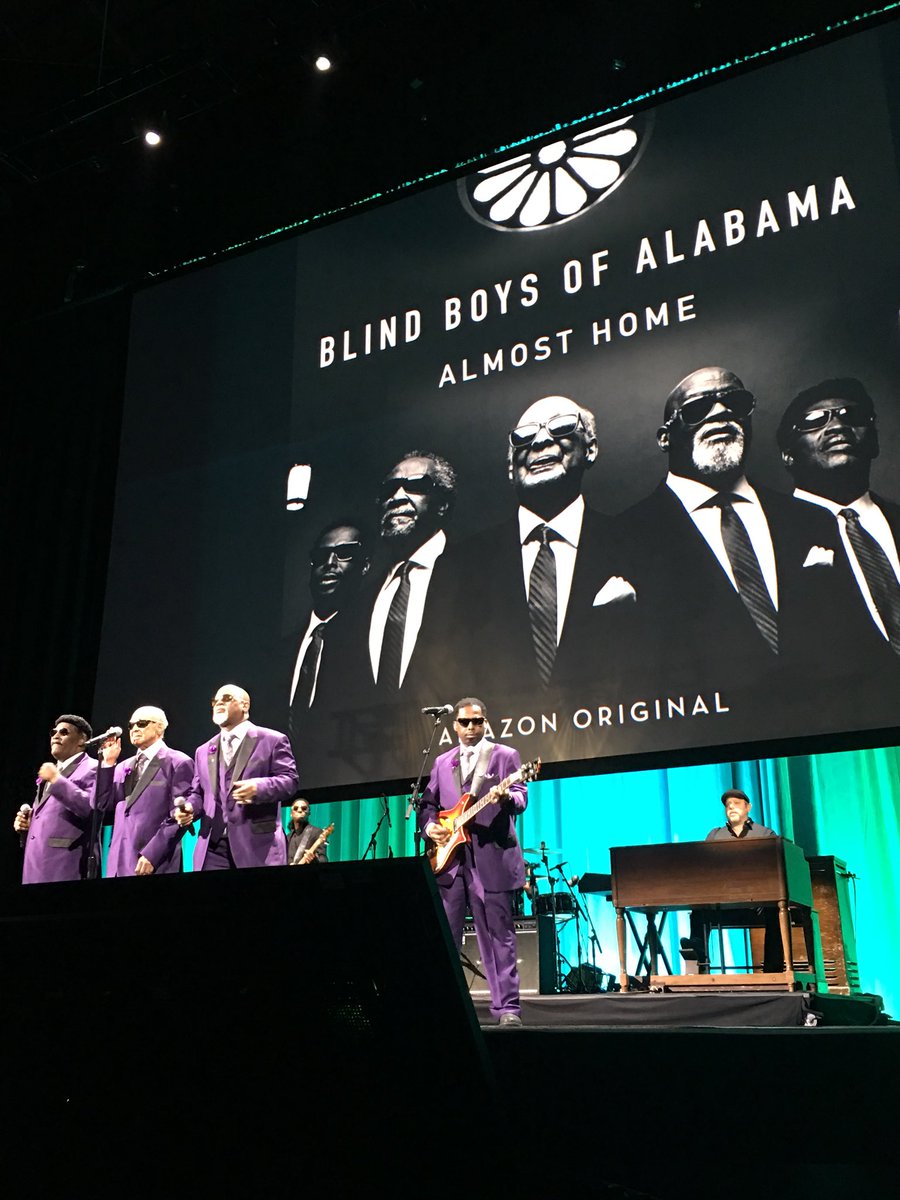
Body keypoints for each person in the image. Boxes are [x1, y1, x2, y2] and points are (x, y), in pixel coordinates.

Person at [615, 366, 841, 730]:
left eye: (733, 402)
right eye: (696, 409)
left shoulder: (812, 520)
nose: (719, 413)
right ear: (664, 438)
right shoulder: (621, 537)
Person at [457, 394, 636, 699]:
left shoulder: (637, 543)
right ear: (511, 469)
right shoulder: (460, 564)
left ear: (590, 449)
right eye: (524, 437)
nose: (540, 441)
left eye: (562, 427)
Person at [778, 378, 900, 674]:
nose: (837, 426)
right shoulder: (766, 533)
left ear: (874, 441)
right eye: (813, 421)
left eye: (852, 416)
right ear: (788, 455)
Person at [420, 697, 528, 1026]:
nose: (471, 728)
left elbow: (521, 797)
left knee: (498, 936)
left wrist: (506, 795)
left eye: (477, 722)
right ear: (454, 726)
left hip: (491, 857)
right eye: (465, 722)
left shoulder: (505, 756)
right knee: (446, 938)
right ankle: (448, 1007)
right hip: (451, 861)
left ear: (485, 723)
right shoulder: (442, 762)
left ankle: (507, 1009)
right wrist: (430, 827)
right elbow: (428, 803)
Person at [176, 684, 298, 870]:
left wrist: (259, 788)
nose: (218, 703)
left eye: (226, 698)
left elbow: (290, 780)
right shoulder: (203, 750)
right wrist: (190, 808)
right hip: (212, 848)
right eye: (215, 701)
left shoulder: (272, 740)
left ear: (245, 705)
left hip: (257, 846)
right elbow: (199, 793)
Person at [367, 451, 457, 692]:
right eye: (389, 490)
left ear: (443, 504)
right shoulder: (361, 599)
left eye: (416, 485)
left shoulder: (475, 571)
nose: (397, 497)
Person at [287, 520, 371, 745]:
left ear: (365, 566)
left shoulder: (371, 643)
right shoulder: (280, 651)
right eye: (321, 556)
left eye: (344, 553)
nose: (330, 563)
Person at [683, 788, 780, 972]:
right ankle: (699, 961)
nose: (731, 807)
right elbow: (704, 868)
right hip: (724, 904)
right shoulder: (715, 835)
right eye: (728, 805)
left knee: (774, 910)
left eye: (736, 803)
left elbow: (772, 869)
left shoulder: (765, 834)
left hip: (756, 906)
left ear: (748, 807)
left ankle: (773, 971)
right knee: (698, 908)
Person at [94, 705, 194, 876]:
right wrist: (108, 763)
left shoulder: (178, 762)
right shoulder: (123, 766)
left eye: (141, 723)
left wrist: (152, 855)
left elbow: (177, 816)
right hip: (118, 862)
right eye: (131, 725)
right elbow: (102, 805)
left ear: (160, 727)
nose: (134, 729)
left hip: (155, 862)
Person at [14, 714, 98, 883]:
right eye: (53, 732)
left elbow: (91, 809)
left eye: (64, 732)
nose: (55, 736)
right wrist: (27, 826)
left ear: (82, 740)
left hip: (66, 865)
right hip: (34, 864)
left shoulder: (93, 768)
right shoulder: (51, 771)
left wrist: (57, 780)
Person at [286, 797, 329, 865]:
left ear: (309, 813)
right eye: (296, 808)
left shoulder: (317, 832)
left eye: (304, 808)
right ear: (291, 814)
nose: (300, 810)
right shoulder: (287, 837)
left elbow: (323, 860)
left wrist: (314, 859)